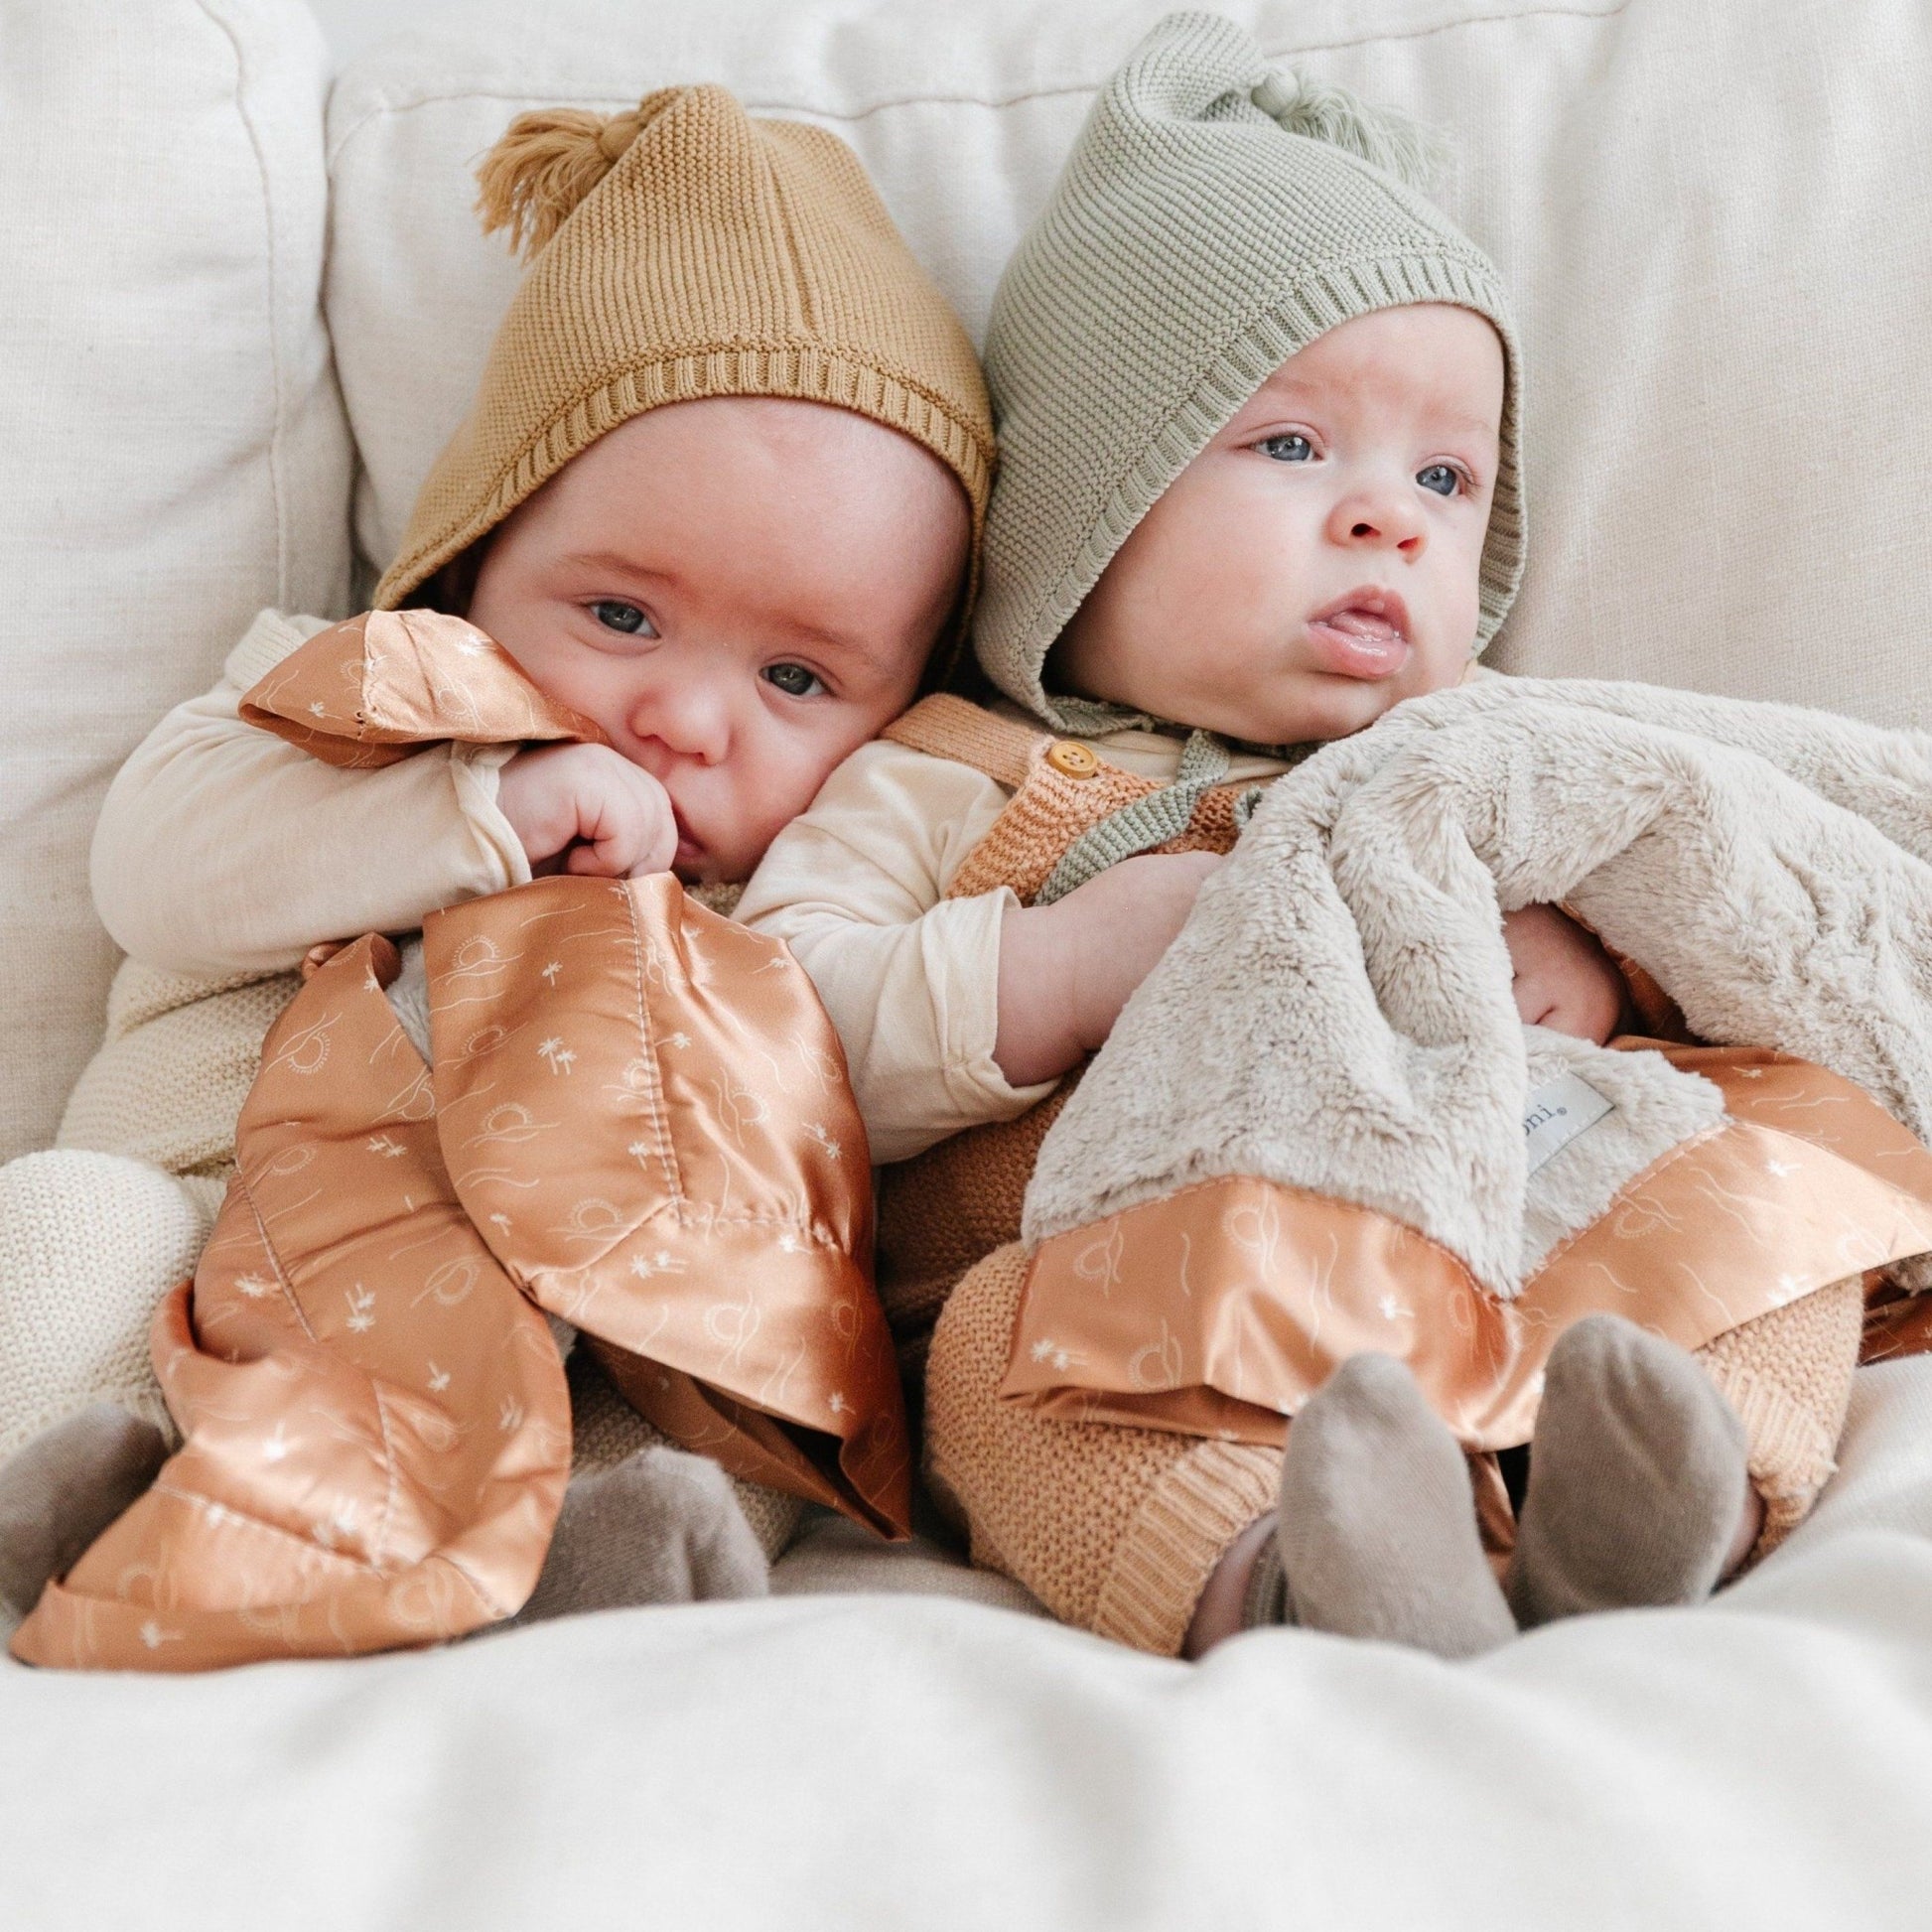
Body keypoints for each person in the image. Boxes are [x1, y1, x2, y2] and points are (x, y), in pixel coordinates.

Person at [738, 12, 1862, 1659]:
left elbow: (1716, 892)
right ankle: (1292, 1572)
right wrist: (1048, 966)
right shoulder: (950, 766)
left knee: (1747, 1177)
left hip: (1503, 1205)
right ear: (1082, 502)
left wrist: (1594, 965)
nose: (1387, 516)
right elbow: (765, 1026)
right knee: (995, 1373)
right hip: (1132, 1278)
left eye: (1447, 479)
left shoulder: (1479, 758)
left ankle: (1655, 1491)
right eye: (1287, 445)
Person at [0, 81, 993, 1632]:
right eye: (620, 615)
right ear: (473, 557)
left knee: (716, 1374)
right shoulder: (359, 698)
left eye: (793, 680)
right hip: (198, 1243)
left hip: (557, 1313)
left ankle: (591, 1558)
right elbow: (155, 869)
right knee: (63, 1221)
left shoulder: (802, 885)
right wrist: (476, 819)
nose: (677, 716)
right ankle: (83, 1483)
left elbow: (872, 1052)